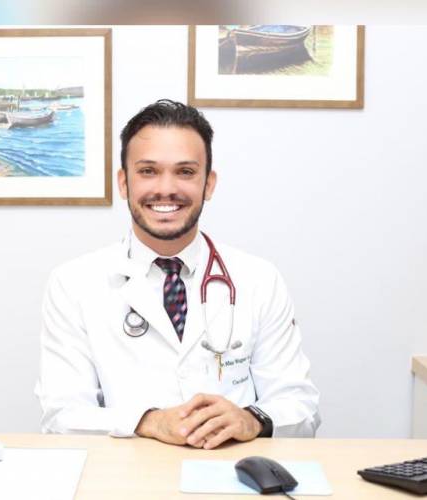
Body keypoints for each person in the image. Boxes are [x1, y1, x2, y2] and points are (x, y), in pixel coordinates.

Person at [35, 99, 320, 449]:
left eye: (185, 172)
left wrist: (252, 419)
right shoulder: (73, 284)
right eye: (148, 171)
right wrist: (149, 421)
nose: (166, 188)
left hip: (231, 469)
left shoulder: (259, 279)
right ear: (124, 183)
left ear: (209, 184)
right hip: (125, 473)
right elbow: (61, 416)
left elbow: (301, 407)